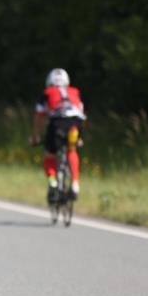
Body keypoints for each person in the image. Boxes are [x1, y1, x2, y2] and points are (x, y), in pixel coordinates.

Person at [30, 68, 86, 201]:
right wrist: (80, 137)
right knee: (72, 149)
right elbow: (82, 114)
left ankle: (53, 182)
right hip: (75, 123)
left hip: (57, 123)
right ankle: (75, 183)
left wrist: (35, 137)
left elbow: (39, 116)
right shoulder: (75, 91)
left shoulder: (47, 92)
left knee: (49, 156)